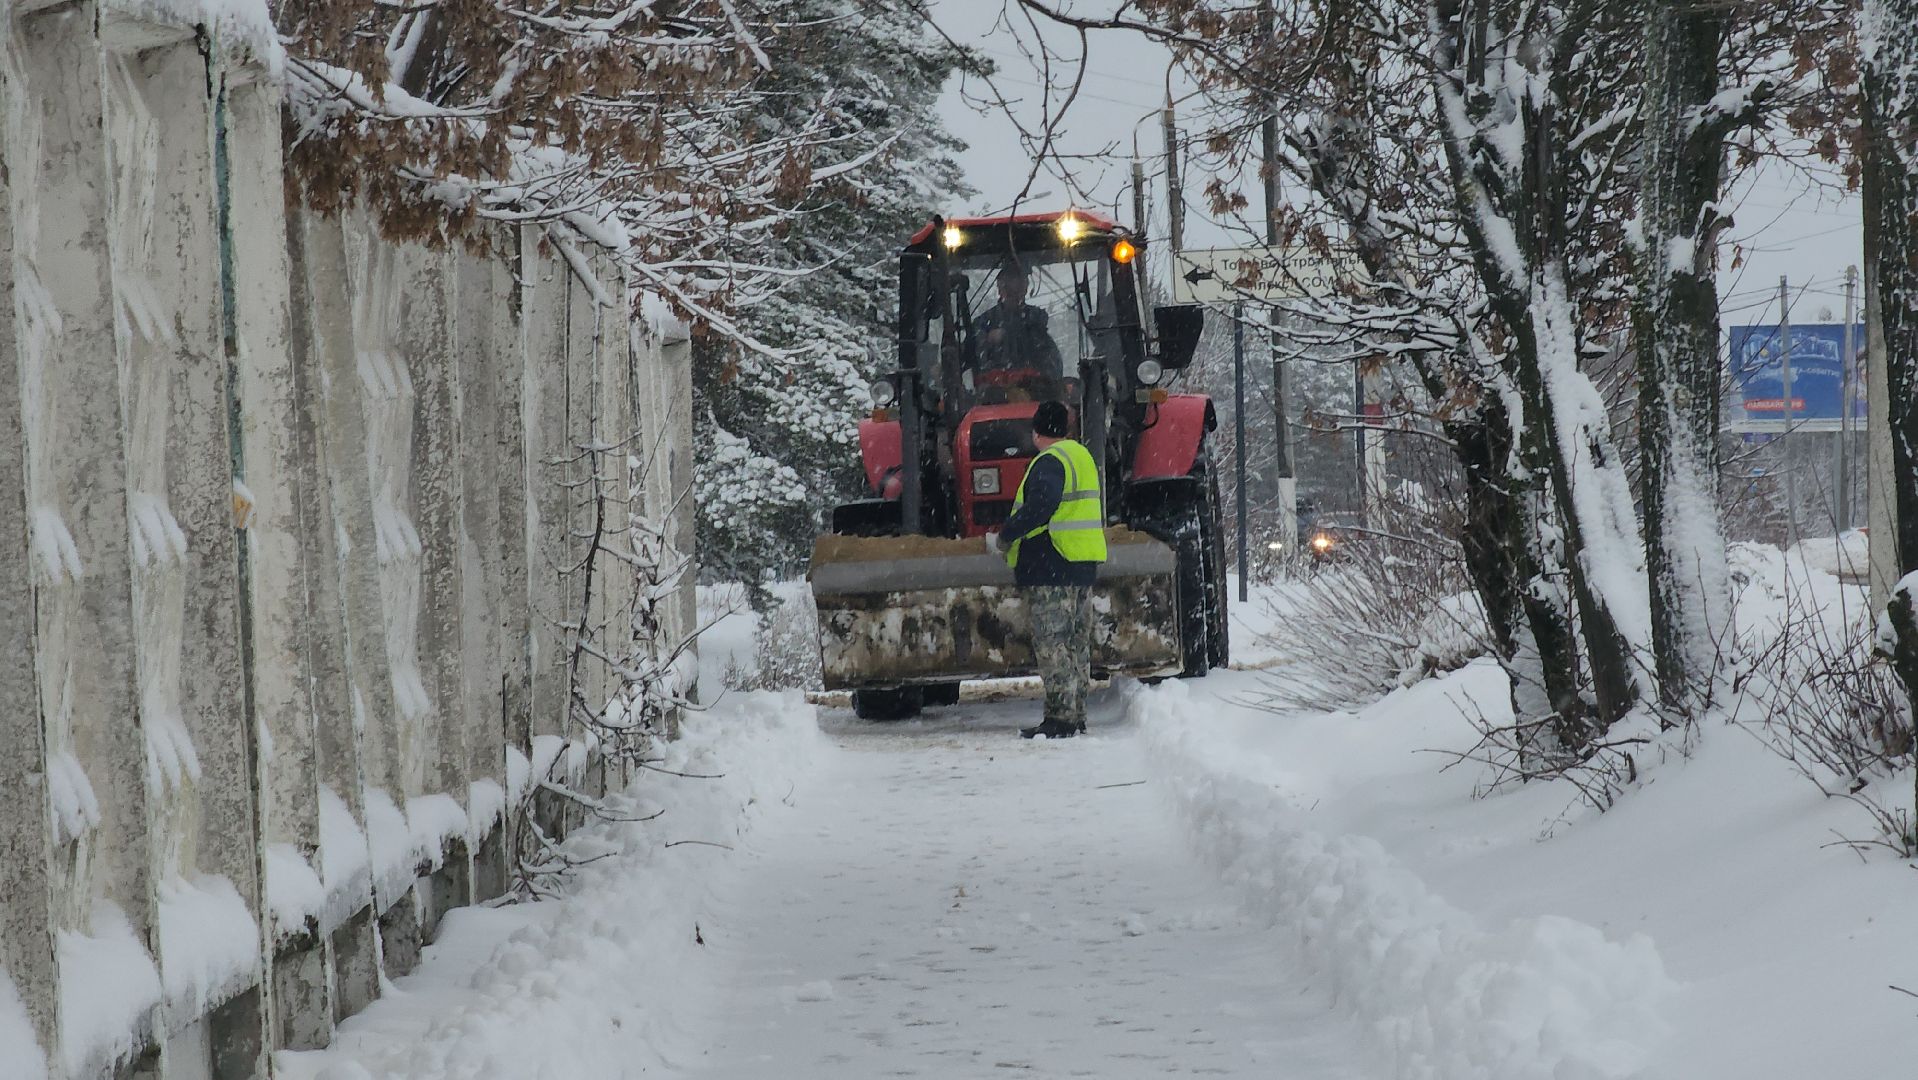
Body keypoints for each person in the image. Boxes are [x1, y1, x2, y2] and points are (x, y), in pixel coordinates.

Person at [985, 400, 1106, 739]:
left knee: (1054, 644)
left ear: (1037, 432)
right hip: (1080, 564)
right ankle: (1076, 714)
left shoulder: (1049, 462)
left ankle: (1060, 720)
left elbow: (1042, 504)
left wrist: (1006, 536)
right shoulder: (1080, 456)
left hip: (1052, 565)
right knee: (1076, 644)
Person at [973, 259, 1065, 395]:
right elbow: (968, 356)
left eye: (1020, 283)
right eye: (1008, 284)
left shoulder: (1036, 322)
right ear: (999, 287)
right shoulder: (984, 323)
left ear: (1026, 287)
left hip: (1035, 397)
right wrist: (985, 340)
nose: (1014, 291)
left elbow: (1053, 368)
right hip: (992, 401)